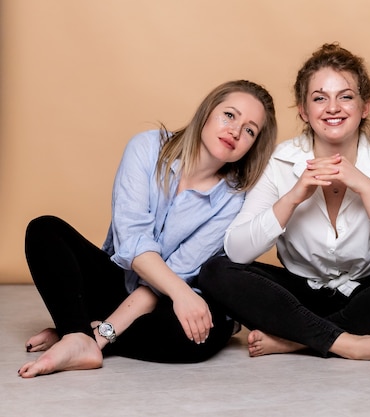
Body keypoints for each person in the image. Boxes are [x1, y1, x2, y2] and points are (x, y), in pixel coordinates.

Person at [198, 43, 370, 363]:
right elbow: (237, 250)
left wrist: (367, 188)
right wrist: (293, 197)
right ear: (304, 110)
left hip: (365, 296)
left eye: (345, 96)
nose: (333, 108)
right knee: (215, 271)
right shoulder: (279, 162)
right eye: (319, 98)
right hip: (298, 297)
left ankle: (297, 341)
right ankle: (351, 344)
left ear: (364, 107)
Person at [18, 80, 277, 378]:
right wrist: (180, 293)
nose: (235, 131)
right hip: (120, 281)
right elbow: (132, 241)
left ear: (252, 146)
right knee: (44, 230)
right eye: (229, 115)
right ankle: (77, 334)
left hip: (164, 300)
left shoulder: (234, 199)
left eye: (249, 130)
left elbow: (174, 275)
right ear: (207, 112)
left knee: (199, 335)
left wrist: (101, 336)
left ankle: (77, 335)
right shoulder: (147, 147)